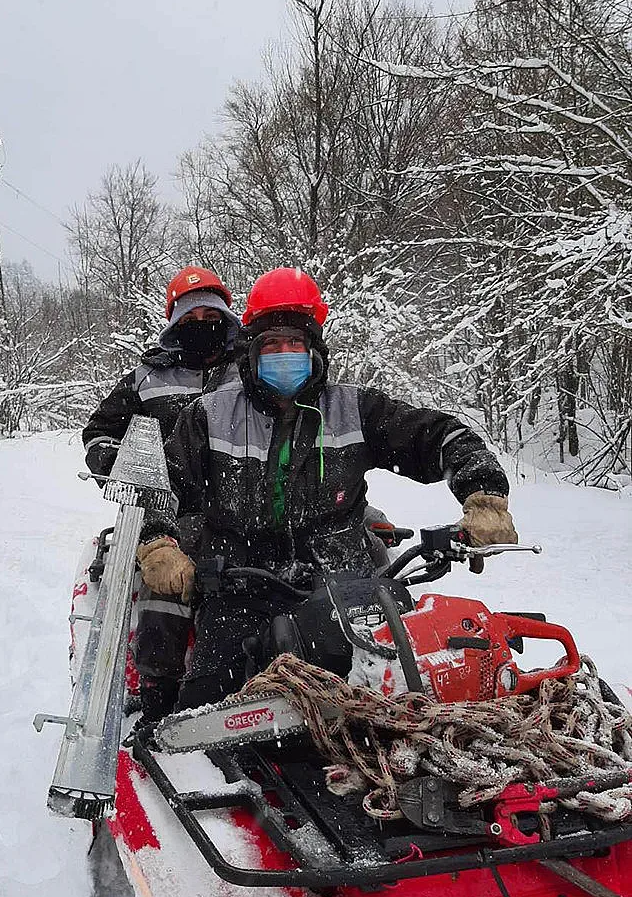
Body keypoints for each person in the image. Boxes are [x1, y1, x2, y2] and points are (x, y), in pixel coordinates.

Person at [135, 266, 518, 711]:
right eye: (272, 344)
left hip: (345, 582)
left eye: (294, 343)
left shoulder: (354, 408)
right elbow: (162, 482)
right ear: (252, 352)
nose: (284, 353)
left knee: (394, 700)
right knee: (206, 708)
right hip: (238, 583)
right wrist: (158, 541)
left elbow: (442, 437)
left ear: (313, 349)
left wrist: (484, 495)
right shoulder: (210, 414)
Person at [81, 266, 241, 720]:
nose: (202, 322)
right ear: (174, 320)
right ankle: (158, 693)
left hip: (242, 496)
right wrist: (125, 464)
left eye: (212, 313)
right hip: (170, 505)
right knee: (166, 582)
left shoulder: (251, 369)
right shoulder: (146, 377)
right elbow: (99, 431)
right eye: (191, 315)